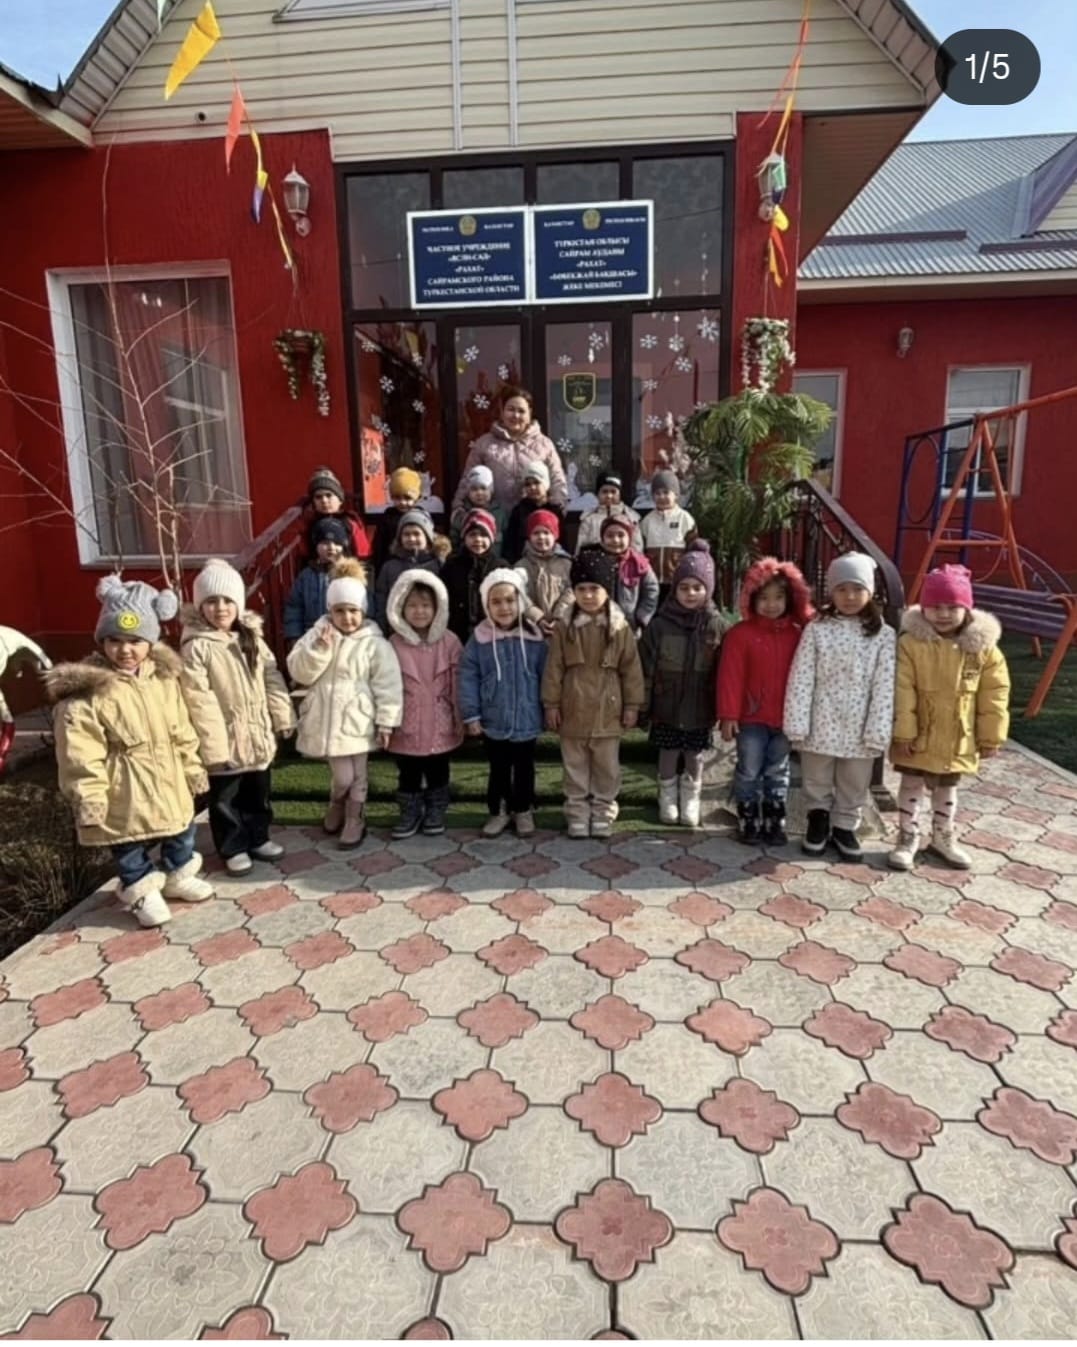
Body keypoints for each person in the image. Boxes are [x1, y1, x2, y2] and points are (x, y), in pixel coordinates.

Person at [45, 577, 212, 928]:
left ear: (150, 642)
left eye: (135, 641)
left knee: (181, 826)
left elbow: (181, 728)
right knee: (126, 838)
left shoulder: (163, 680)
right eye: (115, 640)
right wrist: (89, 794)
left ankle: (178, 872)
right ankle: (140, 888)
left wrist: (192, 766)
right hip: (123, 783)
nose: (125, 650)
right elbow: (79, 753)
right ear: (102, 641)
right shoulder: (88, 693)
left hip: (167, 774)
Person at [889, 564, 1011, 871]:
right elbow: (902, 689)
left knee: (946, 788)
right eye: (935, 607)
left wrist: (991, 736)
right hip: (918, 735)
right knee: (911, 784)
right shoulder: (910, 644)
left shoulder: (983, 649)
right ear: (924, 608)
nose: (943, 614)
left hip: (956, 736)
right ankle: (907, 836)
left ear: (966, 609)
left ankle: (943, 836)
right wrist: (904, 732)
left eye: (952, 607)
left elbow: (995, 694)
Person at [179, 559, 296, 876]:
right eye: (212, 601)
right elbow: (198, 698)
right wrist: (214, 746)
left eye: (227, 601)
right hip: (225, 738)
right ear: (200, 607)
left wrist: (282, 715)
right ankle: (232, 846)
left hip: (256, 733)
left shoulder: (251, 638)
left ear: (239, 604)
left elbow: (271, 677)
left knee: (258, 793)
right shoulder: (197, 646)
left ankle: (258, 837)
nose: (220, 608)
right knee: (225, 800)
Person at [783, 552, 896, 861]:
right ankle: (817, 819)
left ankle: (845, 825)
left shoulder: (883, 634)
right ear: (831, 592)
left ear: (870, 592)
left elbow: (885, 684)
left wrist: (878, 727)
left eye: (857, 589)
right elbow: (802, 676)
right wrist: (797, 721)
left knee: (854, 779)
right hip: (821, 720)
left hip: (860, 725)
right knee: (816, 774)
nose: (849, 597)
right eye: (842, 589)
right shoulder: (818, 629)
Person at [287, 559, 403, 850]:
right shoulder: (317, 635)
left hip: (358, 719)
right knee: (343, 776)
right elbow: (299, 671)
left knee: (359, 775)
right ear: (330, 611)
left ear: (363, 611)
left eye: (353, 610)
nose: (347, 617)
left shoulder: (374, 643)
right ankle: (337, 802)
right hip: (327, 720)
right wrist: (320, 650)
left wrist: (386, 721)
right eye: (339, 611)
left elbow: (388, 684)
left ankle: (355, 818)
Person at [542, 548, 645, 839]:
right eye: (581, 589)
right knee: (574, 765)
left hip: (608, 708)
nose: (587, 595)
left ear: (607, 590)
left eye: (594, 589)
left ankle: (603, 810)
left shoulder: (620, 627)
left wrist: (632, 705)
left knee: (606, 766)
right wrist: (551, 703)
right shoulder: (564, 627)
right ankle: (576, 812)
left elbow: (631, 668)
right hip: (573, 705)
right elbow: (554, 667)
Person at [717, 557, 814, 846]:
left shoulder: (798, 635)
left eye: (778, 597)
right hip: (751, 718)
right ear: (752, 599)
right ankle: (748, 816)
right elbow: (730, 677)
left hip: (785, 718)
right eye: (764, 598)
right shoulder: (740, 635)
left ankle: (775, 818)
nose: (771, 604)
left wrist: (804, 716)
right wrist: (729, 715)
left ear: (790, 599)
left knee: (778, 770)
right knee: (749, 769)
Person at [639, 540, 725, 829]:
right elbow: (646, 667)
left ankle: (691, 796)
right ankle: (667, 795)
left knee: (694, 754)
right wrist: (643, 706)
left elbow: (723, 671)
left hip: (700, 705)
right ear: (674, 589)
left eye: (697, 587)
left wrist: (721, 708)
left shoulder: (716, 626)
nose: (690, 593)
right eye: (684, 587)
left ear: (708, 590)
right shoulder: (660, 625)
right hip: (666, 704)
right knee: (668, 751)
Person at [458, 568, 547, 839]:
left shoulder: (535, 638)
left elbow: (546, 675)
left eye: (510, 600)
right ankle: (498, 811)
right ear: (487, 605)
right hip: (493, 717)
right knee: (498, 768)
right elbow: (468, 676)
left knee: (524, 768)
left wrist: (548, 708)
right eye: (496, 602)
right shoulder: (479, 639)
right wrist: (471, 715)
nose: (504, 607)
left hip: (527, 716)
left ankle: (523, 809)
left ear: (520, 601)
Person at [385, 570, 464, 840]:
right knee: (408, 772)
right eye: (412, 605)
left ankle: (436, 810)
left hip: (441, 722)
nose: (419, 611)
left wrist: (460, 717)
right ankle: (409, 812)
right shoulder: (393, 644)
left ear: (438, 607)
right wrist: (385, 721)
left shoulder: (450, 642)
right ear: (400, 607)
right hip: (406, 722)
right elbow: (385, 685)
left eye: (426, 605)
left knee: (438, 770)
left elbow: (457, 683)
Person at [452, 386, 568, 518]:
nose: (516, 415)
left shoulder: (544, 444)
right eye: (511, 409)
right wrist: (458, 511)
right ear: (502, 412)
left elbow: (557, 482)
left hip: (532, 523)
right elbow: (468, 481)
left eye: (521, 411)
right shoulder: (484, 444)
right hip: (493, 522)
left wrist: (556, 514)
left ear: (529, 413)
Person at [283, 516, 354, 646]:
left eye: (337, 543)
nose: (331, 547)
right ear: (316, 546)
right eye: (325, 543)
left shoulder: (351, 574)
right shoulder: (306, 576)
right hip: (312, 635)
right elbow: (294, 607)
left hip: (345, 636)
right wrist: (294, 635)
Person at [374, 508, 448, 631]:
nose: (411, 538)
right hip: (397, 630)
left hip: (434, 630)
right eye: (406, 534)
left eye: (416, 534)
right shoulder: (389, 567)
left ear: (427, 536)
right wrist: (383, 627)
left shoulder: (440, 565)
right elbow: (381, 599)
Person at [440, 509, 501, 644]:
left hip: (492, 633)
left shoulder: (500, 567)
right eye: (472, 535)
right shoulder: (452, 566)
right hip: (457, 632)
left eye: (483, 535)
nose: (478, 539)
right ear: (464, 537)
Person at [592, 516, 659, 634]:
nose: (615, 540)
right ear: (602, 538)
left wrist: (641, 617)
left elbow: (652, 590)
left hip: (630, 626)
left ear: (629, 538)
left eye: (621, 535)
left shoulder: (640, 563)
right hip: (599, 625)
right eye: (610, 536)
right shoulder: (593, 562)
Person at [515, 509, 573, 636]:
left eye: (546, 532)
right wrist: (538, 618)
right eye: (536, 533)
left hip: (562, 626)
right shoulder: (521, 566)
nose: (541, 537)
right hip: (531, 628)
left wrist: (559, 616)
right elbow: (520, 595)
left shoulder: (567, 563)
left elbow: (571, 591)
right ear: (529, 536)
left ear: (555, 535)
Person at [300, 465, 372, 562]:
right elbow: (305, 555)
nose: (324, 500)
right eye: (318, 497)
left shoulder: (350, 522)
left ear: (340, 500)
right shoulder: (310, 525)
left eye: (329, 495)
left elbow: (363, 554)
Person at [639, 469, 696, 588]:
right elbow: (640, 549)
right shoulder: (647, 521)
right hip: (652, 580)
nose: (661, 497)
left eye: (666, 492)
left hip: (677, 579)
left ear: (676, 495)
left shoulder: (684, 518)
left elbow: (693, 548)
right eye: (657, 493)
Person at [501, 461, 565, 565]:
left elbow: (563, 542)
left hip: (553, 564)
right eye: (528, 484)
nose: (532, 487)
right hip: (524, 564)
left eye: (536, 482)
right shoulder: (519, 511)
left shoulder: (555, 511)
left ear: (545, 483)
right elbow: (510, 543)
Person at [373, 466, 424, 572]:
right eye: (397, 498)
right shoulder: (387, 519)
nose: (402, 502)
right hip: (392, 568)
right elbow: (379, 548)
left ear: (416, 498)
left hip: (419, 566)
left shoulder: (422, 518)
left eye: (407, 498)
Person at [575, 471, 642, 552]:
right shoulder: (589, 520)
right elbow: (580, 548)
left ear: (620, 494)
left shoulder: (630, 518)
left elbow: (637, 548)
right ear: (597, 494)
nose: (609, 496)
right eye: (605, 491)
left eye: (613, 492)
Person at [450, 465, 506, 554]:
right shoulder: (461, 515)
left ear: (491, 490)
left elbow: (508, 540)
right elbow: (454, 541)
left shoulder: (500, 514)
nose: (479, 493)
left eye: (483, 488)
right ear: (468, 492)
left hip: (494, 560)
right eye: (474, 489)